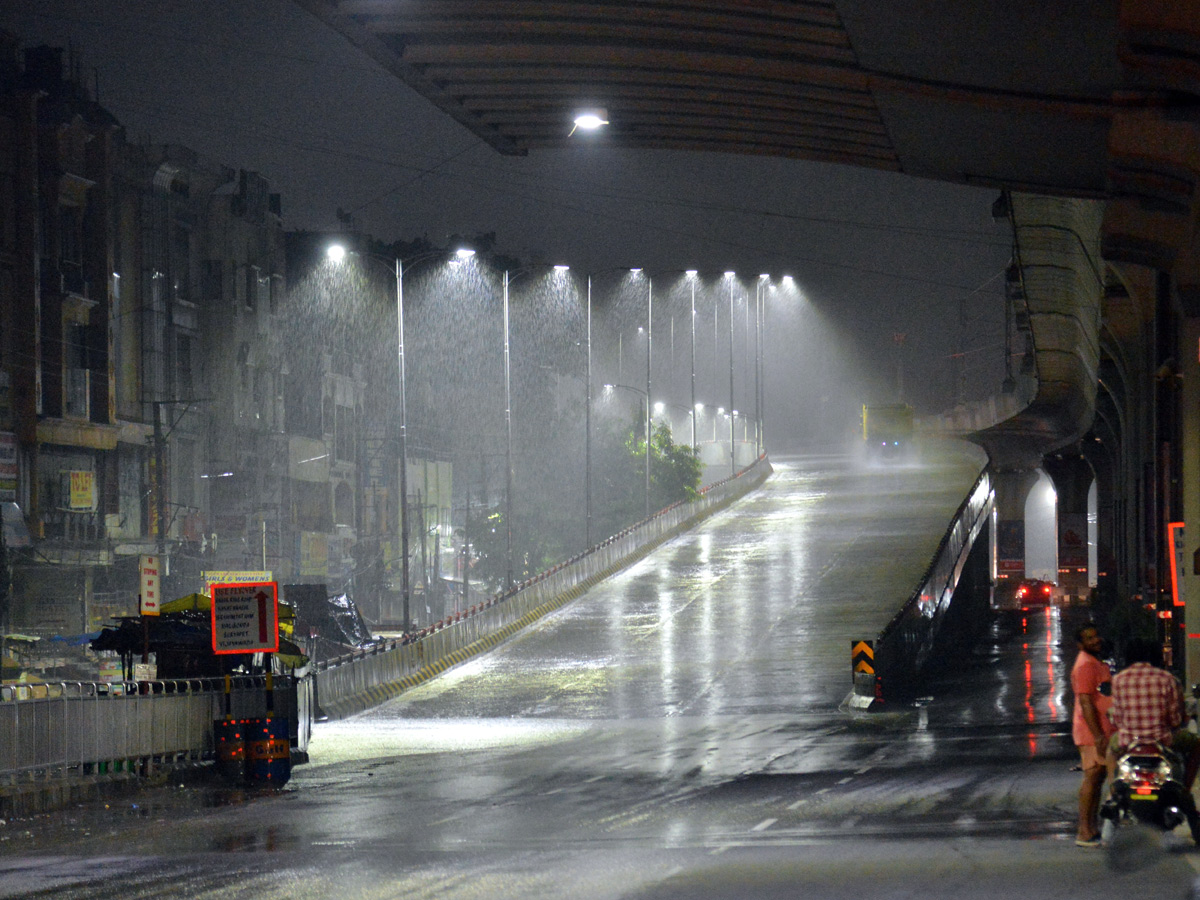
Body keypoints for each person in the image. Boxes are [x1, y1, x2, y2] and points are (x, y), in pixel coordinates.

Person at [1106, 636, 1200, 788]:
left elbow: (1117, 720)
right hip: (1163, 741)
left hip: (1128, 741)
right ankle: (1186, 788)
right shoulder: (1167, 678)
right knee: (1196, 745)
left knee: (1111, 751)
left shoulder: (1118, 679)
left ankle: (1113, 790)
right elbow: (1175, 720)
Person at [1071, 623, 1113, 847]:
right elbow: (1086, 702)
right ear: (1080, 644)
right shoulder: (1085, 665)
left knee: (1097, 779)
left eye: (1096, 636)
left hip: (1099, 729)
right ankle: (1084, 831)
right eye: (1089, 638)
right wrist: (1097, 736)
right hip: (1090, 731)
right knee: (1093, 776)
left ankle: (1091, 829)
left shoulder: (1094, 661)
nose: (1095, 640)